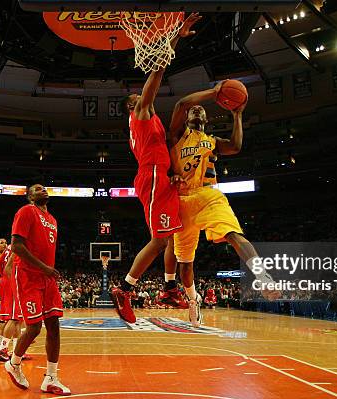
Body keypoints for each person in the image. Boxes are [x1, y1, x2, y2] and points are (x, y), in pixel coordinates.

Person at [111, 13, 201, 323]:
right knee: (159, 238)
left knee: (171, 235)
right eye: (136, 96)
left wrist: (172, 172)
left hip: (159, 175)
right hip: (150, 176)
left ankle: (169, 286)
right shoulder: (141, 113)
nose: (140, 94)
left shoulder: (150, 123)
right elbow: (159, 71)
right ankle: (125, 289)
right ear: (131, 106)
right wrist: (174, 36)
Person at [167, 84, 280, 327]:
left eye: (200, 110)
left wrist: (237, 115)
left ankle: (263, 276)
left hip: (209, 195)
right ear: (187, 117)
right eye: (193, 110)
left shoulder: (212, 141)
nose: (196, 110)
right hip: (182, 200)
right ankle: (193, 300)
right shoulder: (177, 135)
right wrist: (214, 92)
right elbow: (182, 103)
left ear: (206, 118)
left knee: (234, 234)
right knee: (185, 264)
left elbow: (236, 146)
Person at [4, 184, 69, 395]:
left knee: (54, 325)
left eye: (44, 188)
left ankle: (51, 378)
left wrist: (47, 270)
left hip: (47, 278)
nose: (43, 190)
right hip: (28, 275)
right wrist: (44, 268)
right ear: (30, 196)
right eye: (38, 189)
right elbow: (17, 246)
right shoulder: (26, 211)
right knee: (34, 327)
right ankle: (13, 363)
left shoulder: (53, 220)